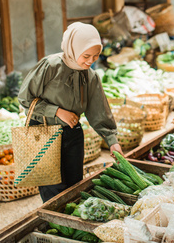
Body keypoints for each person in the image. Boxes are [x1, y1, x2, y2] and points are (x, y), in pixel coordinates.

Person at [18, 22, 123, 203]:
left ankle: (70, 223)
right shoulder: (50, 67)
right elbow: (25, 99)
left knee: (75, 186)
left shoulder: (90, 76)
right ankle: (55, 226)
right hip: (44, 133)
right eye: (86, 55)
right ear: (73, 49)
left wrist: (112, 141)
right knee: (53, 191)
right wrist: (57, 111)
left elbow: (99, 111)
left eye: (96, 56)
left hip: (73, 135)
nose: (91, 61)